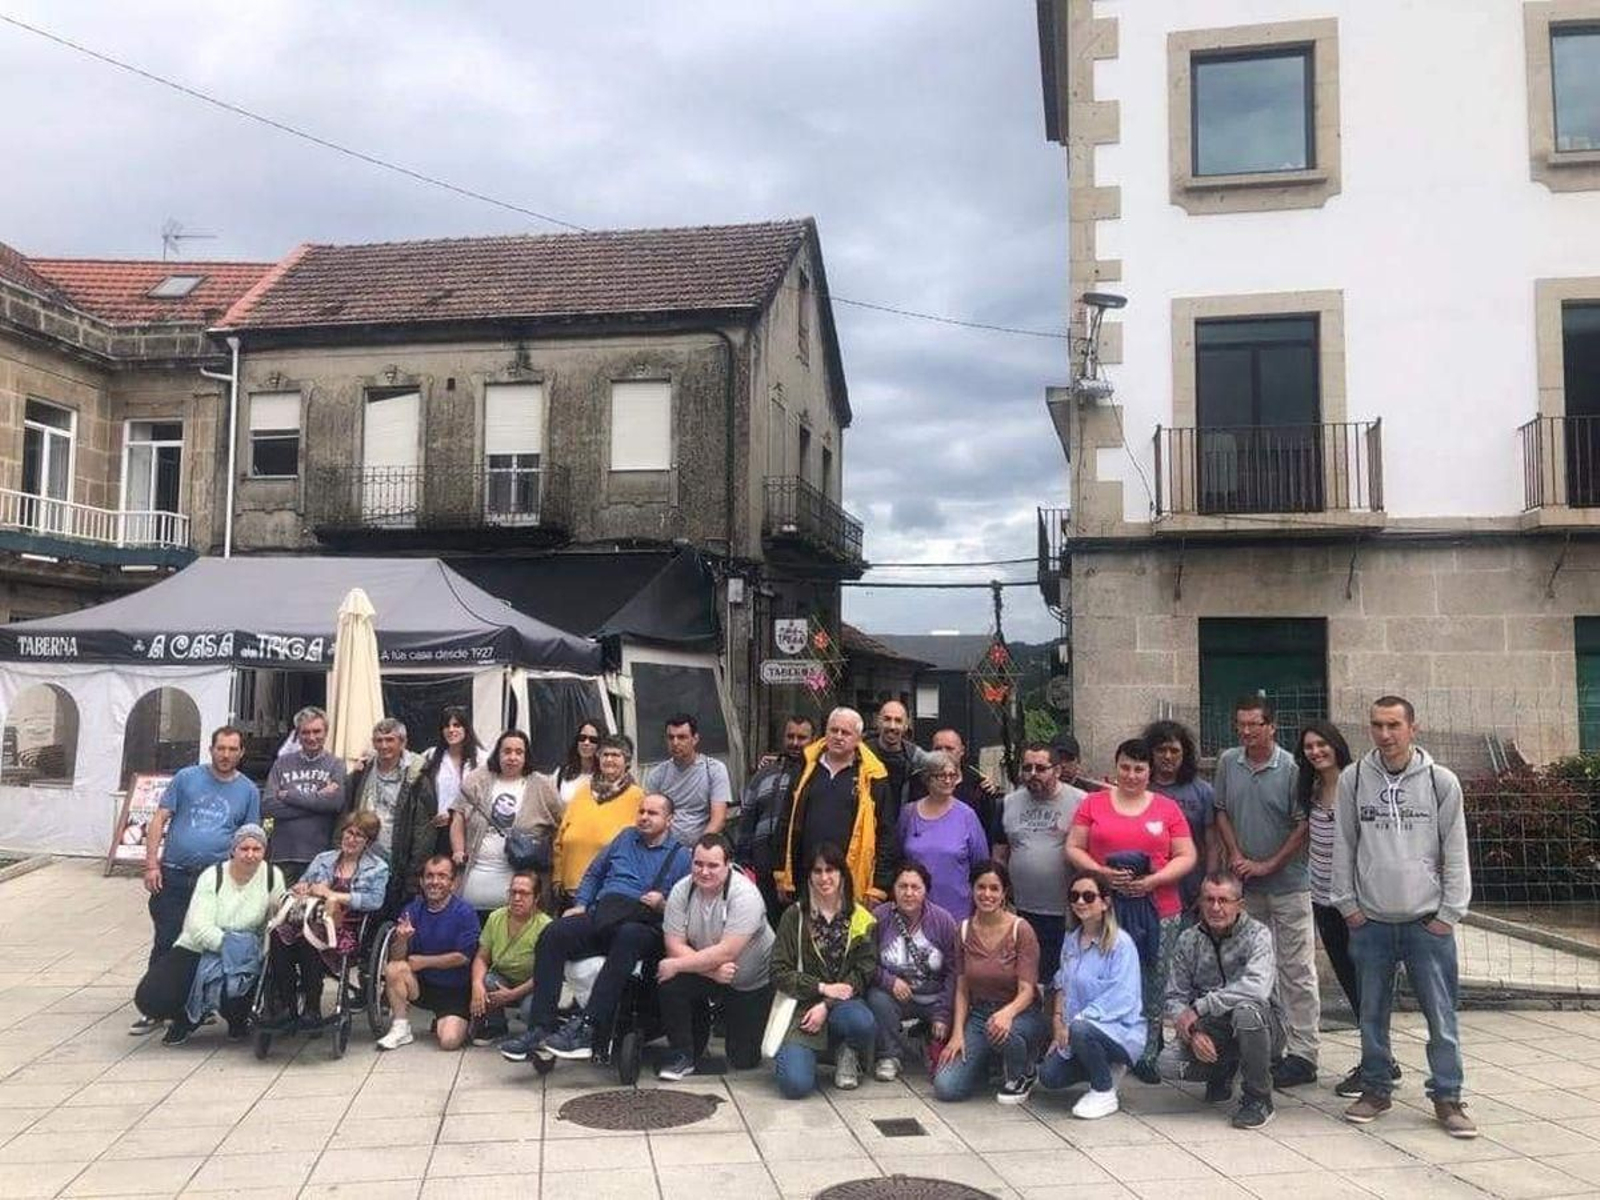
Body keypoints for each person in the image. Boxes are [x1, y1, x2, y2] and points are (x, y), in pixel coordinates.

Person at [1334, 697, 1476, 1139]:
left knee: (1440, 1014)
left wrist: (1449, 913)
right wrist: (1348, 906)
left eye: (1394, 725)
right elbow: (1345, 844)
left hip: (1425, 923)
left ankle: (1448, 1095)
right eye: (1376, 725)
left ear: (1413, 727)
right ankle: (1376, 1087)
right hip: (1371, 921)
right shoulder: (1354, 779)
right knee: (1371, 1012)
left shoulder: (1440, 781)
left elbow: (1455, 849)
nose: (1385, 734)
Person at [506, 793, 691, 1063]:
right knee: (553, 933)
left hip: (643, 926)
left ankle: (588, 1027)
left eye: (653, 813)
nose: (644, 817)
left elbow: (685, 908)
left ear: (669, 820)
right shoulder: (625, 837)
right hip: (604, 914)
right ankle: (540, 1027)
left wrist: (663, 905)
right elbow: (594, 872)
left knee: (628, 936)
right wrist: (581, 903)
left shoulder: (681, 857)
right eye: (641, 811)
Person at [1066, 738, 1197, 1082]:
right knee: (1104, 978)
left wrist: (1155, 880)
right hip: (1103, 909)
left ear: (1149, 772)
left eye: (1139, 769)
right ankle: (1102, 1044)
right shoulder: (1093, 804)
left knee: (1154, 979)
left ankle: (1147, 1052)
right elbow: (1074, 848)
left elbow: (1186, 855)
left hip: (1160, 907)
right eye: (1125, 767)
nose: (1132, 775)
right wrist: (1101, 873)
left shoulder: (1167, 808)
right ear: (1116, 766)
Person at [1213, 696, 1319, 1088]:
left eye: (1254, 724)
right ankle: (1264, 1045)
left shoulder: (1291, 768)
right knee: (1253, 970)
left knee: (1297, 969)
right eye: (1240, 724)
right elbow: (1220, 810)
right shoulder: (1228, 762)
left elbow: (1302, 824)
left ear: (1271, 727)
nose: (1246, 731)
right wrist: (1237, 855)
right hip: (1246, 887)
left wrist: (1271, 863)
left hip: (1289, 885)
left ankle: (1305, 1052)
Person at [134, 725, 261, 1035]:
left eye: (233, 749)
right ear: (211, 749)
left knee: (205, 943)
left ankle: (196, 1006)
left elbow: (250, 838)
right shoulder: (187, 778)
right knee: (168, 939)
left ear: (241, 753)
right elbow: (159, 820)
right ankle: (156, 1007)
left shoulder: (248, 790)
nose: (226, 755)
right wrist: (151, 864)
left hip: (217, 880)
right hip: (175, 873)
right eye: (221, 748)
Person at [1299, 720, 1388, 1101]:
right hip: (1322, 899)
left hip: (1355, 902)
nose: (1316, 752)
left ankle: (1378, 1063)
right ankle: (1378, 1060)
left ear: (1336, 746)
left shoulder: (1357, 783)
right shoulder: (1314, 788)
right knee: (1351, 983)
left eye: (1322, 744)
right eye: (1308, 747)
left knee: (1368, 985)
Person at [134, 824, 285, 1046]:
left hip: (245, 951)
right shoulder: (212, 876)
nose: (250, 855)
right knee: (152, 996)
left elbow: (275, 919)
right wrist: (230, 947)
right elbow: (199, 926)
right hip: (199, 946)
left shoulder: (272, 876)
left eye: (257, 849)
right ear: (233, 850)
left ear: (264, 851)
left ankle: (238, 1019)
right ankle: (185, 1017)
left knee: (240, 984)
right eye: (244, 848)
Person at [1159, 872, 1279, 1129]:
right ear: (1200, 903)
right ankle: (1223, 1070)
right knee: (1167, 1064)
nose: (1215, 907)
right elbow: (1174, 996)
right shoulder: (1187, 939)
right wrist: (1192, 1032)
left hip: (1262, 1024)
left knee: (1246, 1011)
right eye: (1209, 899)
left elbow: (1256, 988)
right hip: (1211, 1027)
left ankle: (1259, 1099)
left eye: (1223, 900)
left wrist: (1202, 1007)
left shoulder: (1259, 935)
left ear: (1239, 905)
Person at [655, 834, 776, 1079]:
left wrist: (680, 964)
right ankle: (683, 1054)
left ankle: (733, 1024)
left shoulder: (746, 895)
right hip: (712, 972)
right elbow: (674, 944)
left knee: (744, 1060)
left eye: (713, 865)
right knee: (670, 981)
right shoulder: (682, 890)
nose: (704, 872)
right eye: (698, 864)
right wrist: (710, 972)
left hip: (750, 982)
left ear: (728, 865)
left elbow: (727, 951)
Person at [263, 809, 390, 1032]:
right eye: (349, 833)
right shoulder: (324, 859)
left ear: (368, 841)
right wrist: (303, 887)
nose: (351, 839)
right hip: (311, 918)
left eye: (359, 835)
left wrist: (334, 895)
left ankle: (312, 1009)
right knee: (278, 935)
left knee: (308, 940)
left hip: (346, 927)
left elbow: (374, 901)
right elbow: (303, 884)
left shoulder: (378, 867)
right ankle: (286, 1005)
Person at [933, 860, 1048, 1104]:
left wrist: (1007, 1014)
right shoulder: (963, 930)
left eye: (994, 888)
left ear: (1004, 892)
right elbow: (962, 987)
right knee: (946, 1088)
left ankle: (1023, 1072)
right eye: (981, 887)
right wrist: (957, 1034)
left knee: (1001, 1030)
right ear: (972, 890)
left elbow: (1028, 990)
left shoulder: (1021, 930)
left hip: (1021, 1013)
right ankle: (987, 1063)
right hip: (979, 1015)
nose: (987, 894)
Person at [770, 843, 879, 1097]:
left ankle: (847, 1050)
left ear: (842, 874)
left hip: (843, 1004)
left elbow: (863, 973)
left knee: (862, 1022)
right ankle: (805, 1053)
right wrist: (819, 988)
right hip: (801, 1008)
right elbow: (778, 971)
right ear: (809, 876)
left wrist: (826, 1004)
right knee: (795, 1086)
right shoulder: (794, 916)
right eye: (817, 871)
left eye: (830, 870)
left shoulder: (862, 918)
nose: (824, 877)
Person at [1038, 869, 1146, 1119]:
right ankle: (1105, 1067)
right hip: (1078, 1032)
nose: (1080, 902)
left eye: (1088, 896)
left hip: (1118, 1030)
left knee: (1081, 1029)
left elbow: (1122, 997)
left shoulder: (1121, 945)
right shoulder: (1071, 940)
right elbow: (1062, 983)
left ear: (1105, 902)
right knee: (1049, 1076)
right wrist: (1058, 1023)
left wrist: (1076, 1023)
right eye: (1074, 896)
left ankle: (1103, 1091)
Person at [773, 706, 899, 907]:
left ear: (859, 738)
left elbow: (886, 834)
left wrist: (879, 887)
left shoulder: (874, 776)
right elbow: (786, 820)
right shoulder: (806, 767)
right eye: (834, 730)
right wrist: (781, 873)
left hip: (850, 881)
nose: (838, 737)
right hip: (805, 877)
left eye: (846, 733)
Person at [994, 742, 1087, 997]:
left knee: (1064, 980)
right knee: (1027, 978)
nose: (1032, 773)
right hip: (1022, 910)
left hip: (1068, 912)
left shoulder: (1082, 802)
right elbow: (1000, 854)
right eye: (1027, 768)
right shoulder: (1007, 803)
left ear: (1057, 770)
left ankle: (1059, 1030)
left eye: (1041, 768)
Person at [451, 729, 563, 914]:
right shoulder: (479, 779)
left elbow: (562, 824)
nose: (512, 757)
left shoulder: (542, 785)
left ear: (526, 756)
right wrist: (458, 850)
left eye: (519, 752)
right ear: (498, 753)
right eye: (507, 751)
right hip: (476, 878)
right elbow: (458, 815)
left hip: (521, 883)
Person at [376, 855, 481, 1051]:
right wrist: (402, 939)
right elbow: (397, 958)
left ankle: (455, 1023)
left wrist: (425, 961)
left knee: (449, 1042)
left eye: (442, 876)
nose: (434, 882)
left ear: (453, 882)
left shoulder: (465, 912)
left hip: (455, 990)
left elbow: (463, 957)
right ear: (422, 881)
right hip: (423, 986)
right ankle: (401, 1028)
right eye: (429, 876)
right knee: (394, 969)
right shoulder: (412, 910)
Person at [866, 861, 958, 1082]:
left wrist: (943, 1012)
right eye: (902, 886)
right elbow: (866, 963)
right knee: (876, 998)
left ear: (926, 890)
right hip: (898, 997)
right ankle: (889, 1055)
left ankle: (926, 1038)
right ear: (893, 890)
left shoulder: (943, 921)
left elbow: (955, 971)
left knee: (962, 1010)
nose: (909, 893)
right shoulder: (880, 917)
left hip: (936, 997)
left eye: (915, 887)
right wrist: (889, 982)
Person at [345, 719, 437, 908]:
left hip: (398, 862)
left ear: (402, 742)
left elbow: (424, 830)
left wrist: (414, 874)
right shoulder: (363, 770)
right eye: (379, 740)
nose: (384, 746)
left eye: (389, 740)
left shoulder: (417, 775)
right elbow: (347, 814)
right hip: (363, 859)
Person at [735, 715, 814, 923]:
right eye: (790, 736)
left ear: (813, 740)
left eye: (802, 737)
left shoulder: (816, 776)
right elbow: (748, 816)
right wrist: (743, 859)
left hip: (801, 868)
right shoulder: (765, 774)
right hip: (764, 866)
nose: (795, 743)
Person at [553, 734, 644, 907]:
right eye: (605, 754)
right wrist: (557, 877)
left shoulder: (638, 797)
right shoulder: (581, 792)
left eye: (616, 755)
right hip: (570, 889)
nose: (609, 759)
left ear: (627, 761)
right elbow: (560, 838)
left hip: (607, 892)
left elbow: (640, 845)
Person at [898, 751, 989, 920]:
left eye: (952, 775)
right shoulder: (908, 814)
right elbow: (897, 858)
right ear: (927, 778)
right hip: (914, 910)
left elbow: (981, 866)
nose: (948, 780)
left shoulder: (967, 816)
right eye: (941, 775)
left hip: (956, 912)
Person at [262, 707, 346, 885]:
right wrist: (318, 800)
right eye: (305, 732)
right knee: (280, 909)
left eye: (317, 731)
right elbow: (268, 807)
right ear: (298, 734)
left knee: (313, 909)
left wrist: (289, 795)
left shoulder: (336, 765)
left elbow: (335, 804)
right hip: (282, 854)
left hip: (320, 856)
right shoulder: (282, 763)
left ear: (326, 732)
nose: (311, 737)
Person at [1141, 719, 1214, 921]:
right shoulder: (1139, 789)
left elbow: (1213, 844)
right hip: (1146, 890)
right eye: (1161, 750)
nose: (1167, 756)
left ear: (1185, 754)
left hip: (1192, 890)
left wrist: (1208, 886)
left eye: (1174, 751)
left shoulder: (1203, 792)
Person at [469, 871, 551, 1045]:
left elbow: (545, 974)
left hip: (533, 984)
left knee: (530, 1010)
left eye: (524, 893)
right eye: (513, 892)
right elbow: (482, 957)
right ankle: (496, 1027)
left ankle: (538, 1032)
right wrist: (476, 984)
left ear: (536, 898)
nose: (517, 898)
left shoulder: (546, 926)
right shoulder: (495, 917)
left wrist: (513, 994)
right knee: (486, 981)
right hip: (503, 978)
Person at [643, 714, 733, 846]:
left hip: (702, 849)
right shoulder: (657, 774)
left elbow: (718, 819)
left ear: (695, 739)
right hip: (664, 849)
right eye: (670, 737)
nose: (675, 743)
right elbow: (650, 816)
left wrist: (699, 849)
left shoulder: (714, 770)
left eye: (682, 737)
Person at [908, 728, 1004, 845]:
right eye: (938, 749)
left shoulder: (979, 785)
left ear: (962, 751)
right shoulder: (917, 781)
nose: (943, 753)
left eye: (949, 748)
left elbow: (987, 832)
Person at [422, 706, 485, 854]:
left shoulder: (482, 759)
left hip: (470, 829)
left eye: (456, 725)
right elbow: (405, 761)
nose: (451, 730)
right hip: (440, 830)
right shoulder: (431, 756)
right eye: (446, 726)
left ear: (466, 728)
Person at [867, 699, 930, 824]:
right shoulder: (862, 753)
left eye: (898, 721)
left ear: (906, 725)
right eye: (887, 719)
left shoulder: (914, 757)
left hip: (902, 828)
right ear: (878, 722)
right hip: (867, 828)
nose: (892, 726)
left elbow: (941, 775)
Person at [548, 720, 603, 804]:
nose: (586, 743)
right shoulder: (562, 773)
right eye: (582, 738)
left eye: (593, 740)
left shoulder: (606, 777)